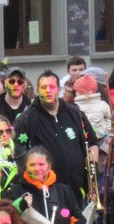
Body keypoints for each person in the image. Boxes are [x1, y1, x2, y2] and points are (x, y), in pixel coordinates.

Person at [13, 70, 98, 201]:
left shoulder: (75, 113)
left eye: (52, 87)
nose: (48, 91)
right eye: (43, 87)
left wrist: (93, 174)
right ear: (38, 90)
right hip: (45, 195)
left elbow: (92, 143)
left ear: (59, 89)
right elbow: (19, 156)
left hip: (77, 193)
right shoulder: (26, 119)